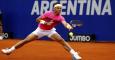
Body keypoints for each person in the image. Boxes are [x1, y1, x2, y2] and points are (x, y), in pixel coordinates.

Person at [1, 3, 81, 60]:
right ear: (54, 8)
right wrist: (46, 22)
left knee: (62, 41)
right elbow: (37, 19)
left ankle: (74, 54)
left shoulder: (60, 17)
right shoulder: (48, 13)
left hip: (50, 31)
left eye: (60, 8)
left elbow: (65, 23)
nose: (59, 9)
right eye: (58, 8)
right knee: (25, 41)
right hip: (40, 30)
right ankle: (9, 50)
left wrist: (68, 26)